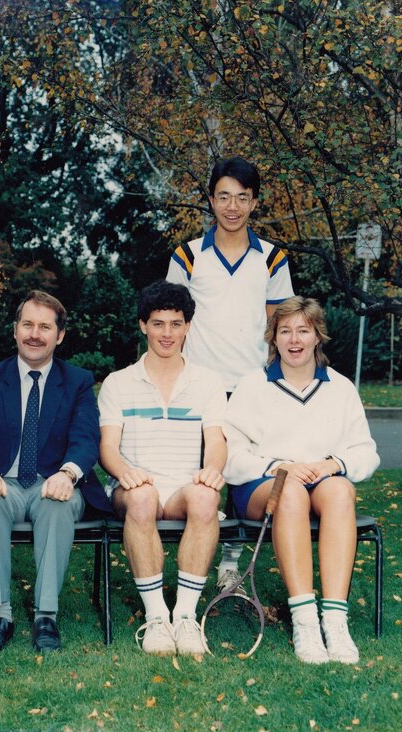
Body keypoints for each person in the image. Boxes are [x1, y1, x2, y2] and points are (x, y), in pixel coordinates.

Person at [224, 296, 379, 664]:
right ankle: (305, 621)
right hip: (263, 485)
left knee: (341, 490)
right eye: (285, 331)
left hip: (320, 482)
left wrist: (333, 464)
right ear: (273, 338)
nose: (294, 340)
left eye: (303, 331)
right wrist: (281, 466)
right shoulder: (251, 386)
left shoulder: (340, 387)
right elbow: (230, 458)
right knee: (291, 492)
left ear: (317, 336)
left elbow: (366, 451)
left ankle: (335, 622)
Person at [0, 290, 109, 653]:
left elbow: (86, 438)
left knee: (57, 505)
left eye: (45, 327)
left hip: (53, 482)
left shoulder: (77, 381)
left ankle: (46, 617)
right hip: (1, 482)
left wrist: (68, 474)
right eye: (27, 325)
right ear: (15, 330)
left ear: (60, 335)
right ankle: (0, 615)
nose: (34, 334)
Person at [166, 156, 295, 592]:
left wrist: (276, 382)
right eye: (224, 197)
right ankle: (191, 565)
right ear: (210, 200)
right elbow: (171, 321)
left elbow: (279, 326)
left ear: (255, 202)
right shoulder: (187, 255)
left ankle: (229, 565)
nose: (233, 207)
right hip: (199, 387)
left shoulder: (273, 258)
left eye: (242, 197)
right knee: (199, 476)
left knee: (240, 474)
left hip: (251, 388)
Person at [98, 281, 227, 656]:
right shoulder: (118, 383)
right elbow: (107, 447)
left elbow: (216, 441)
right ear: (143, 325)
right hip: (136, 487)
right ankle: (156, 619)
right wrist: (124, 471)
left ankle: (185, 618)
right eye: (158, 324)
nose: (167, 333)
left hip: (183, 487)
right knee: (142, 497)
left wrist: (213, 469)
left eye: (175, 324)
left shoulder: (208, 382)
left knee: (205, 498)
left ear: (188, 327)